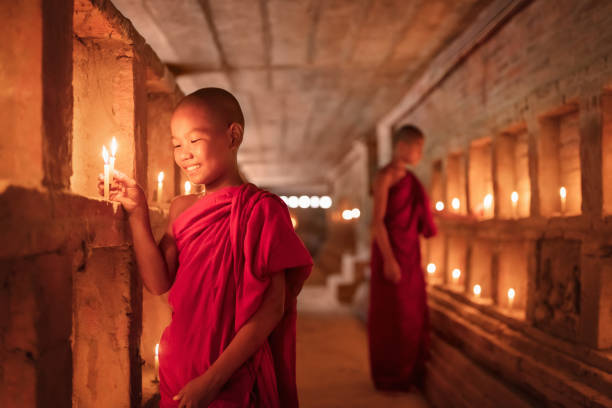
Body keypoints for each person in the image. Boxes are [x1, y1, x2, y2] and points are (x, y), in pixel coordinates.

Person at [98, 88, 312, 407]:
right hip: (180, 367)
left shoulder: (263, 210)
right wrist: (138, 212)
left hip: (233, 370)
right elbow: (158, 281)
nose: (184, 153)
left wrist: (212, 381)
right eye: (176, 144)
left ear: (233, 136)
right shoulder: (182, 208)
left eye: (195, 140)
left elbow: (272, 309)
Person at [368, 124, 437, 391]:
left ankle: (410, 374)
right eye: (417, 147)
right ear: (402, 146)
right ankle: (390, 377)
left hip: (410, 256)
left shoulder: (412, 181)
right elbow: (378, 222)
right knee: (393, 317)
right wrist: (389, 260)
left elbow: (428, 213)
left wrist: (468, 216)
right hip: (392, 255)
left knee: (413, 315)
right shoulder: (385, 176)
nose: (420, 153)